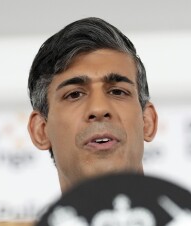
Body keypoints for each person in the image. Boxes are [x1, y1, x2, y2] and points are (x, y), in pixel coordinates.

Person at [27, 17, 158, 193]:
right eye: (74, 95)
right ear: (41, 130)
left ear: (148, 121)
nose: (99, 109)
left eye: (117, 92)